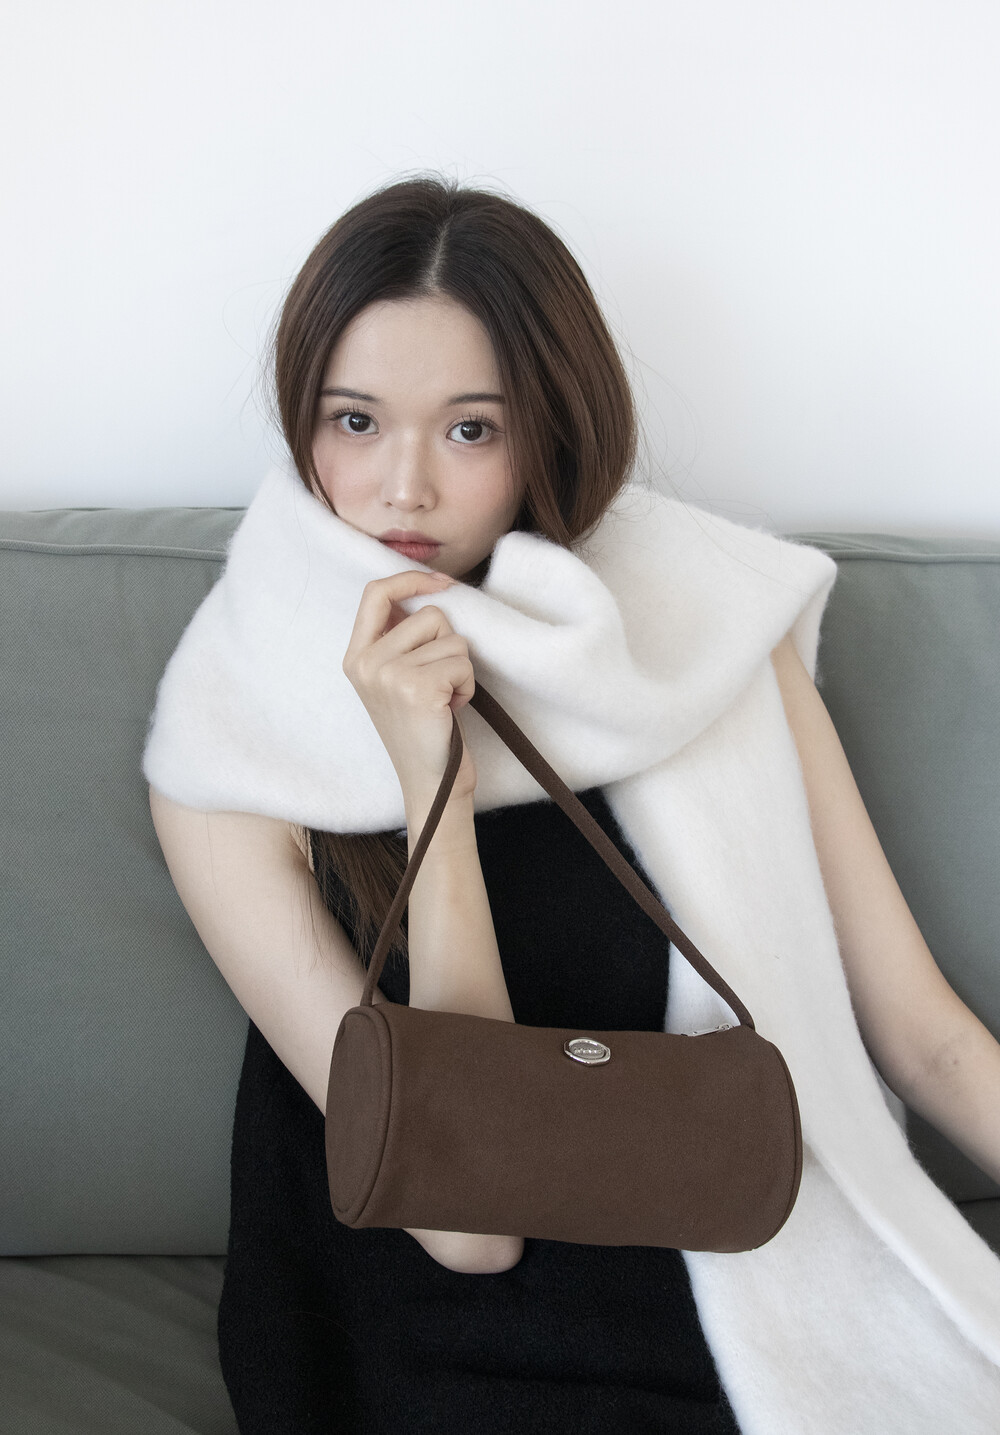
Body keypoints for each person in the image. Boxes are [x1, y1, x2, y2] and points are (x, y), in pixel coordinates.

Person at [146, 174, 1000, 1433]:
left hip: (750, 1268)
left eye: (470, 429)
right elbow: (471, 1224)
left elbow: (925, 1038)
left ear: (549, 429)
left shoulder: (699, 627)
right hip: (436, 1335)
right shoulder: (233, 740)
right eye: (355, 420)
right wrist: (430, 782)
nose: (403, 489)